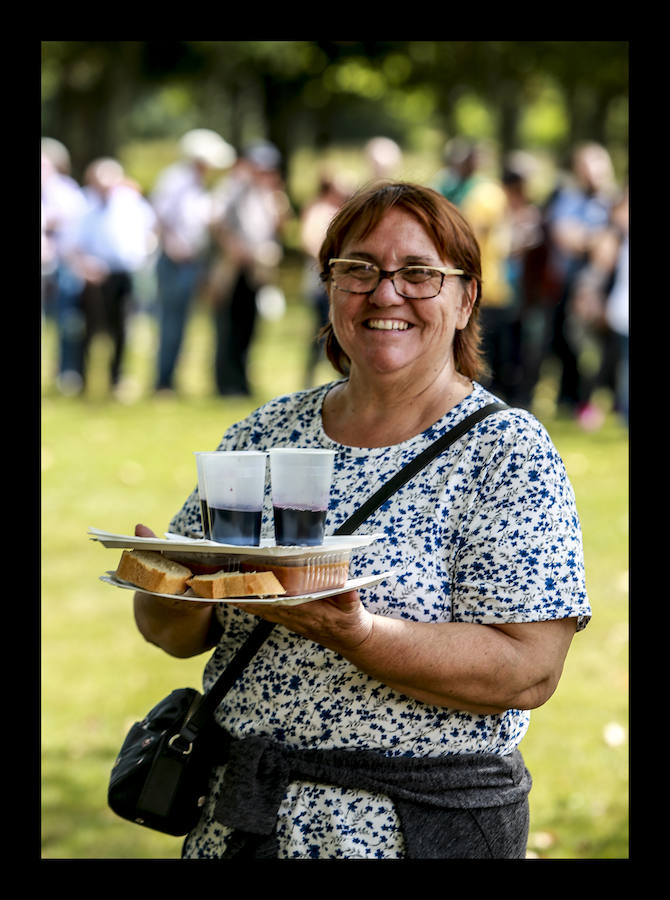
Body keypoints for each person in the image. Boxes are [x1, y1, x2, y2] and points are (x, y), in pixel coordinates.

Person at [133, 181, 591, 859]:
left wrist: (357, 634)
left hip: (418, 830)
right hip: (244, 822)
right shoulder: (265, 434)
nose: (385, 292)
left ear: (466, 298)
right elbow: (174, 632)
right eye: (359, 269)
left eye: (418, 273)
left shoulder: (507, 451)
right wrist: (171, 588)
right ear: (329, 287)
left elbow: (528, 670)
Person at [151, 129, 237, 394]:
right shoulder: (176, 180)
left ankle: (172, 379)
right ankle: (163, 381)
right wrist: (173, 245)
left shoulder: (198, 183)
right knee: (172, 323)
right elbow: (160, 218)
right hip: (176, 262)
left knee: (184, 323)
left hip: (194, 260)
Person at [65, 158, 157, 396]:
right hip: (94, 276)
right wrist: (86, 267)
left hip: (124, 273)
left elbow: (149, 230)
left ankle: (117, 380)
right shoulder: (83, 206)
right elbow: (72, 245)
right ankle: (82, 381)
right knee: (89, 330)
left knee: (122, 329)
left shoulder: (131, 203)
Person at [209, 141, 289, 396]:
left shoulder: (268, 194)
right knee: (228, 326)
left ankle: (241, 380)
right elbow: (215, 221)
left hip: (256, 271)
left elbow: (277, 228)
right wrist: (235, 248)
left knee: (248, 326)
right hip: (232, 270)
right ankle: (226, 383)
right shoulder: (231, 188)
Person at [299, 172, 352, 387]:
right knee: (324, 329)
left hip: (328, 280)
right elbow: (309, 240)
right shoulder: (320, 210)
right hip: (321, 282)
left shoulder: (333, 211)